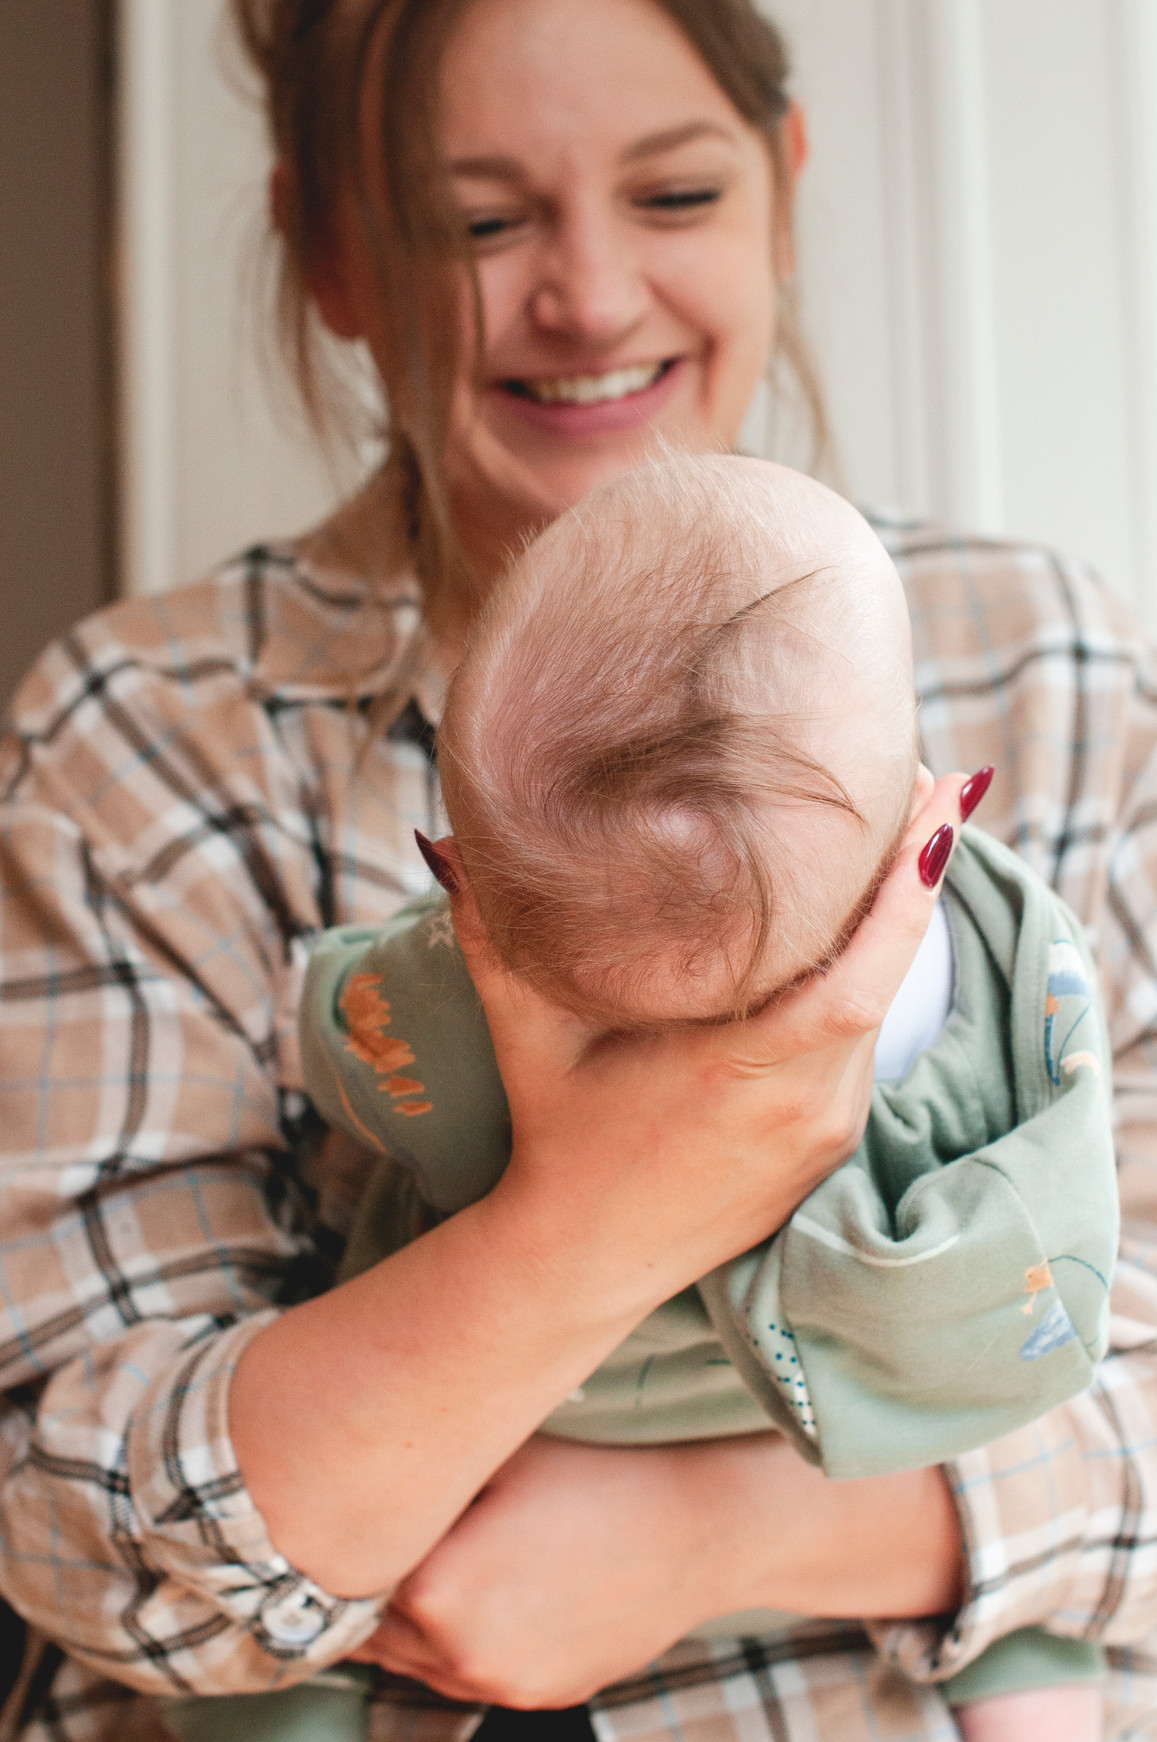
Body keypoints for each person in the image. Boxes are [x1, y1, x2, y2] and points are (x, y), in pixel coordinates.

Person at [0, 2, 1156, 1740]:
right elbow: (77, 1534)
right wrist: (595, 1215)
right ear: (331, 250)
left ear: (782, 184)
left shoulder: (1045, 664)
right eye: (480, 221)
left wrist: (724, 1531)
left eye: (675, 194)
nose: (594, 298)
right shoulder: (147, 740)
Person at [194, 451, 1111, 1742]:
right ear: (917, 794)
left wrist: (354, 982)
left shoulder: (460, 991)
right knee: (1028, 1621)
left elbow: (346, 1049)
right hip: (822, 1427)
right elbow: (1048, 1227)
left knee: (293, 1643)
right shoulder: (994, 969)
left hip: (497, 1452)